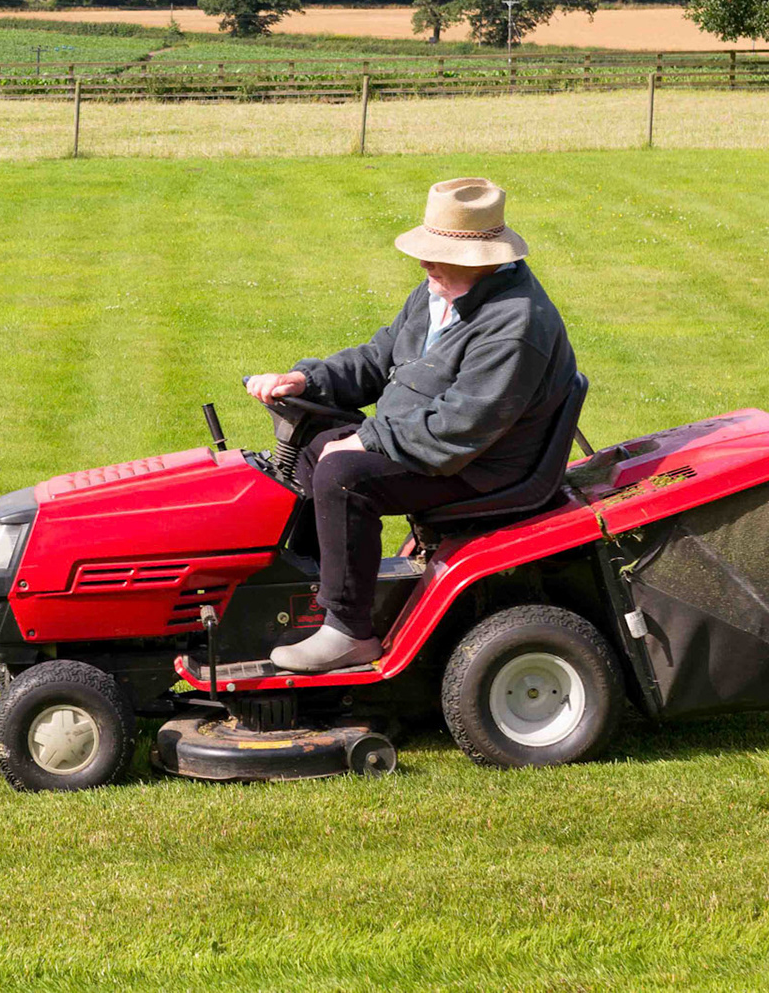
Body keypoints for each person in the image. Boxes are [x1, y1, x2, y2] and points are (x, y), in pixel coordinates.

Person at [246, 177, 577, 674]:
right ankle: (311, 595)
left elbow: (461, 427)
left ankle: (349, 631)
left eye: (436, 252)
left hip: (483, 465)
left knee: (342, 478)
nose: (423, 262)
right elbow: (380, 359)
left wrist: (366, 439)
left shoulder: (516, 324)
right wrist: (306, 380)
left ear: (480, 258)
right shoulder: (440, 291)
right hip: (435, 440)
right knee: (316, 444)